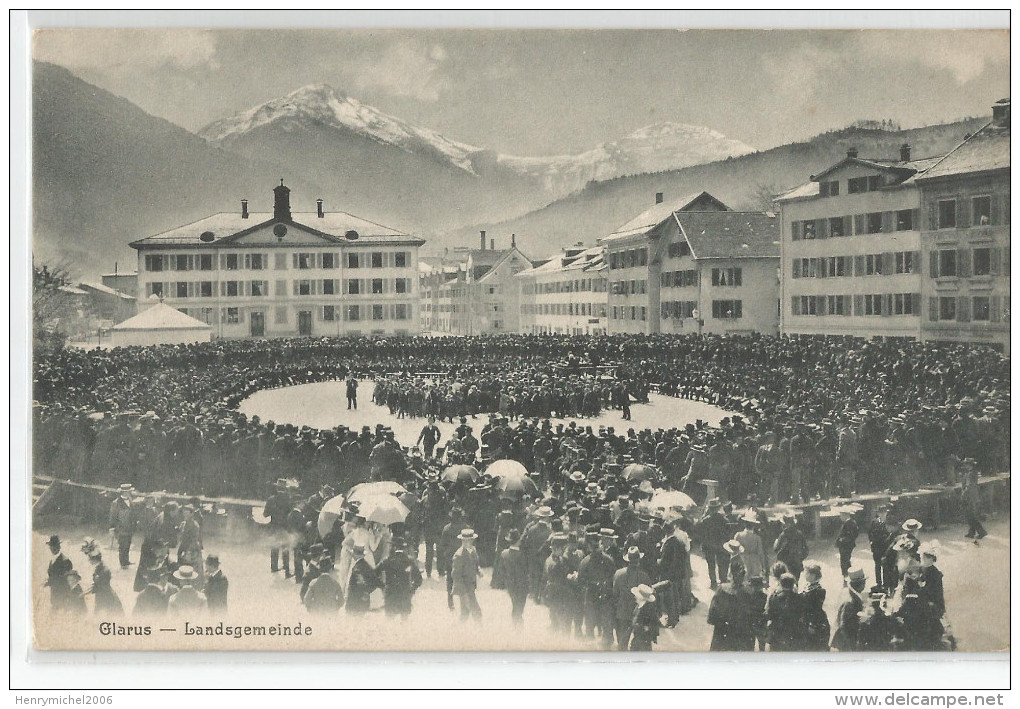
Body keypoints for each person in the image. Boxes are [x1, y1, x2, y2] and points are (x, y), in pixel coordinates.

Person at [611, 546, 651, 651]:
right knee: (639, 645)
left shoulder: (618, 574)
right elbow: (649, 597)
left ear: (627, 560)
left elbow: (614, 594)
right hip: (639, 615)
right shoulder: (645, 576)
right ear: (639, 560)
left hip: (622, 612)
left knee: (622, 644)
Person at [707, 560, 745, 651]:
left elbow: (713, 610)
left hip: (721, 629)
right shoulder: (746, 592)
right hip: (738, 631)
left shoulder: (722, 588)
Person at [379, 541, 422, 619]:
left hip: (390, 594)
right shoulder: (409, 561)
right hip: (405, 594)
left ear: (393, 548)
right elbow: (419, 579)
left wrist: (382, 586)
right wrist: (412, 590)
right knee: (404, 622)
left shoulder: (387, 561)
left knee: (390, 622)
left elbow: (374, 574)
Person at [82, 538, 123, 616]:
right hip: (102, 596)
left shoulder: (104, 570)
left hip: (106, 598)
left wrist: (84, 593)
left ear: (93, 559)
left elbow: (98, 586)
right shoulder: (99, 567)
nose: (88, 560)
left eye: (89, 558)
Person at [830, 567, 867, 651]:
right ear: (861, 584)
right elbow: (844, 626)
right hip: (846, 641)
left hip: (844, 637)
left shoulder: (848, 592)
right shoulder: (850, 601)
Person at [696, 498, 730, 589]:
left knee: (711, 565)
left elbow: (701, 533)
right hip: (720, 545)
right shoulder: (723, 519)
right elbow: (727, 533)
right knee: (721, 563)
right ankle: (723, 580)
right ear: (718, 508)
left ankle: (713, 582)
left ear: (710, 509)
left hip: (709, 545)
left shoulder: (705, 520)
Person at [765, 573, 803, 651]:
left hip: (777, 633)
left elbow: (770, 615)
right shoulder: (799, 598)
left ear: (781, 584)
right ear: (793, 585)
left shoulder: (774, 597)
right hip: (794, 632)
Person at [451, 528, 482, 621]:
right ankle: (480, 632)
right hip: (464, 589)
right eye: (465, 541)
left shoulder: (473, 550)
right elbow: (456, 575)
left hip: (471, 586)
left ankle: (459, 631)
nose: (467, 542)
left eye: (470, 540)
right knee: (476, 611)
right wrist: (463, 593)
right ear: (462, 541)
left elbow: (476, 564)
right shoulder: (459, 555)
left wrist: (478, 570)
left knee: (465, 613)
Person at [500, 529, 530, 624]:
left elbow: (502, 570)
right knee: (519, 608)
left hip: (510, 585)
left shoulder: (504, 553)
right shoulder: (522, 555)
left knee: (515, 605)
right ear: (518, 541)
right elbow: (525, 571)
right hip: (521, 585)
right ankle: (518, 626)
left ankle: (516, 623)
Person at [800, 562, 830, 651]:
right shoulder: (807, 586)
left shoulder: (819, 590)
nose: (805, 575)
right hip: (806, 618)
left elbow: (816, 609)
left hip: (814, 621)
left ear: (813, 575)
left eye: (807, 573)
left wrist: (812, 624)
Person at [734, 513, 768, 583]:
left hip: (742, 561)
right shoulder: (757, 538)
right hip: (754, 562)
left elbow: (734, 550)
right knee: (754, 582)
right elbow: (760, 553)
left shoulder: (738, 535)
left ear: (744, 524)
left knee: (742, 581)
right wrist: (763, 566)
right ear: (754, 526)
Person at [109, 483, 136, 569]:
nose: (130, 493)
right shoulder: (116, 502)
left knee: (127, 544)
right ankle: (123, 563)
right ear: (124, 492)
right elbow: (112, 516)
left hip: (129, 528)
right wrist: (112, 528)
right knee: (122, 546)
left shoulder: (130, 500)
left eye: (130, 491)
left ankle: (126, 561)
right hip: (121, 528)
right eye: (128, 491)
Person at [345, 545, 378, 615]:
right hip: (363, 602)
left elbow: (359, 583)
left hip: (355, 602)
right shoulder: (366, 565)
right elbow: (375, 581)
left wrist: (364, 593)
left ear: (355, 555)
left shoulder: (357, 567)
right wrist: (367, 592)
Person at [773, 516, 808, 581]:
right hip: (796, 562)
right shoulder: (799, 534)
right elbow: (805, 549)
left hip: (786, 563)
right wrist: (800, 558)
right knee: (796, 581)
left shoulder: (783, 535)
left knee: (786, 582)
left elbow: (776, 549)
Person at [961, 459, 987, 541]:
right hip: (973, 496)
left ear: (970, 465)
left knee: (970, 515)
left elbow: (968, 487)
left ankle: (982, 532)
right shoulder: (973, 473)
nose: (965, 466)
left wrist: (963, 494)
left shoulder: (970, 474)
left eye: (966, 464)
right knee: (971, 514)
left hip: (969, 496)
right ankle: (971, 532)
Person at [628, 584, 661, 651]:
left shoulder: (648, 608)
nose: (634, 596)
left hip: (643, 640)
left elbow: (654, 623)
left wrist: (645, 628)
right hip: (637, 637)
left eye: (636, 595)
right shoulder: (639, 605)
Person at [44, 535, 72, 611]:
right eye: (50, 546)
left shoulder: (65, 561)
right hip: (54, 595)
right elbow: (52, 575)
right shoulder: (51, 561)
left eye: (53, 546)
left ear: (59, 547)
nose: (51, 548)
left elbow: (63, 578)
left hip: (63, 596)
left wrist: (49, 582)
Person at [835, 508, 859, 577]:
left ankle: (846, 575)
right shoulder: (848, 522)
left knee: (845, 561)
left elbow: (853, 535)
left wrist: (843, 539)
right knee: (845, 561)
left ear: (846, 515)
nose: (840, 517)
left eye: (841, 515)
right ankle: (848, 574)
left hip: (846, 545)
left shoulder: (850, 523)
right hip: (845, 545)